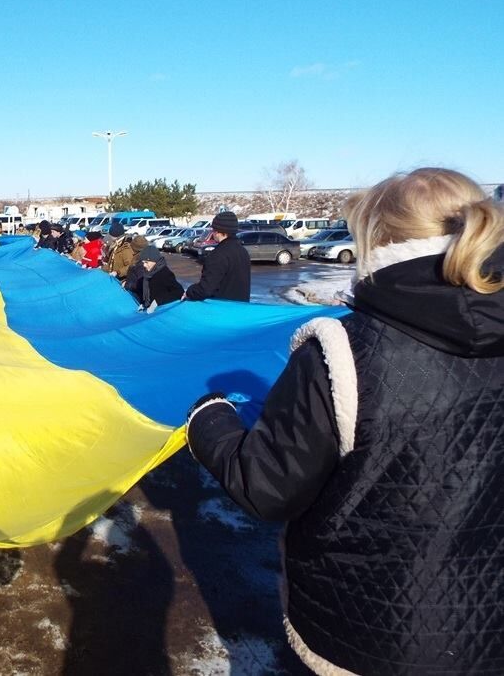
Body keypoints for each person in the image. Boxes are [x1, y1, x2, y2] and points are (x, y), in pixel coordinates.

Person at [186, 168, 504, 674]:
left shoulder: (343, 352)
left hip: (374, 630)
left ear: (376, 240)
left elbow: (268, 487)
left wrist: (209, 420)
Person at [182, 211, 250, 302]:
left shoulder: (218, 255)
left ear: (219, 231)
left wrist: (189, 292)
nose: (212, 232)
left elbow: (205, 289)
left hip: (221, 310)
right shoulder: (243, 251)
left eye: (213, 230)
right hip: (241, 308)